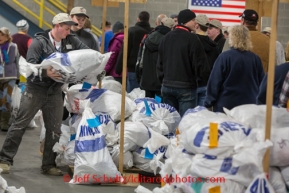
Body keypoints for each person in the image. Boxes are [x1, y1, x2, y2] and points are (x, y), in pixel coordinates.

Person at [0, 13, 89, 175]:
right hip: (35, 90)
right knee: (19, 124)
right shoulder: (39, 43)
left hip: (55, 92)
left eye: (70, 29)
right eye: (66, 28)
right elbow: (30, 68)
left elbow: (87, 52)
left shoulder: (69, 40)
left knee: (54, 129)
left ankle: (48, 164)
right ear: (57, 26)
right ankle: (5, 160)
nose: (69, 32)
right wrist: (45, 73)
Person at [157, 9, 210, 116]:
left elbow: (159, 63)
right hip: (186, 88)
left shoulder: (166, 37)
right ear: (187, 21)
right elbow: (200, 65)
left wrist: (163, 80)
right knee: (185, 124)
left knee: (170, 123)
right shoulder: (192, 39)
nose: (196, 23)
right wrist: (199, 82)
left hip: (167, 86)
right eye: (193, 19)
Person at [204, 25, 264, 113]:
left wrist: (208, 102)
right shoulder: (255, 59)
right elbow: (262, 83)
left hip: (226, 105)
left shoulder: (224, 57)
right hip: (249, 106)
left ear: (232, 37)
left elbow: (214, 82)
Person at [136, 16, 174, 98]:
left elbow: (141, 58)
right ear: (171, 27)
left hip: (147, 78)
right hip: (162, 80)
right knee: (161, 108)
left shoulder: (149, 36)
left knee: (149, 106)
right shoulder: (170, 39)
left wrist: (139, 75)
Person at [115, 11, 152, 93]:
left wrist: (118, 68)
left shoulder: (131, 31)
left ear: (138, 19)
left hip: (133, 68)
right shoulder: (152, 32)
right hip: (148, 70)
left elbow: (125, 50)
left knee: (132, 97)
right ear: (148, 20)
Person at [194, 14, 220, 106]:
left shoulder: (191, 42)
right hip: (207, 84)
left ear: (196, 25)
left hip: (192, 83)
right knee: (202, 116)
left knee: (189, 117)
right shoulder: (214, 45)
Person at [0, 27, 18, 131]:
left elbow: (16, 61)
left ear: (7, 37)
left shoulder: (13, 47)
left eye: (2, 35)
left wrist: (18, 76)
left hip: (10, 76)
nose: (0, 37)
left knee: (7, 98)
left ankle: (4, 122)